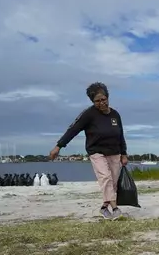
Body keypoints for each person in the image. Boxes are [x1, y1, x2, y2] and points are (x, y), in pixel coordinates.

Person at [49, 82, 128, 219]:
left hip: (114, 152)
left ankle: (104, 208)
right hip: (97, 152)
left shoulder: (115, 115)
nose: (101, 103)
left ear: (108, 97)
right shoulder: (88, 114)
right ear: (92, 101)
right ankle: (115, 209)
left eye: (103, 99)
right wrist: (59, 146)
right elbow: (73, 130)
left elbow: (120, 135)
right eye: (97, 101)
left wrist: (124, 153)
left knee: (113, 182)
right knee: (105, 178)